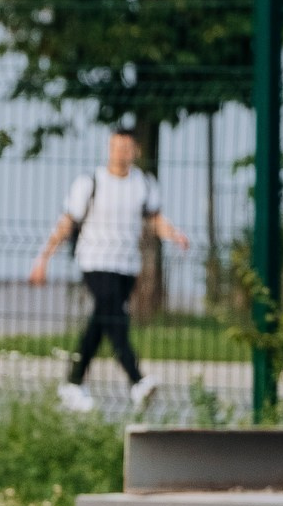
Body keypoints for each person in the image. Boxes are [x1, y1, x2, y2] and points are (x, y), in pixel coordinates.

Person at [28, 125, 191, 414]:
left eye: (126, 148)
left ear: (135, 151)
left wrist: (174, 235)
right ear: (109, 148)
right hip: (95, 261)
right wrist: (43, 259)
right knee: (114, 317)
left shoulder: (144, 183)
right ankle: (136, 379)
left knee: (102, 321)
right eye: (116, 147)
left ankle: (73, 383)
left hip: (126, 265)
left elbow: (154, 219)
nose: (121, 153)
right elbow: (67, 222)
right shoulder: (90, 182)